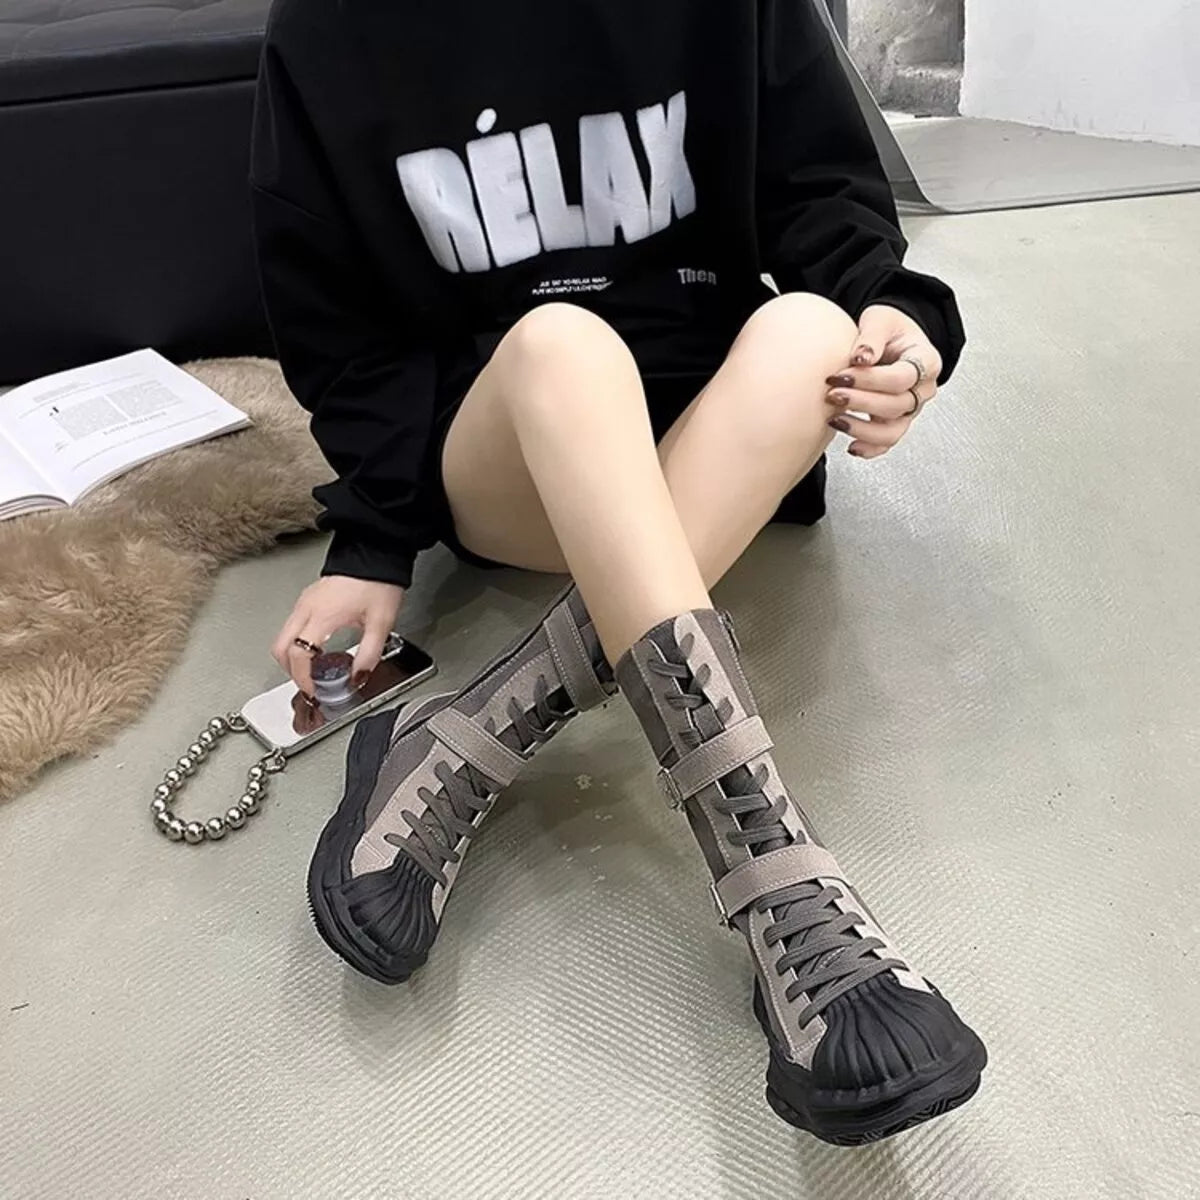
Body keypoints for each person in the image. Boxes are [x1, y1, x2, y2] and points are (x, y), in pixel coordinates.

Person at [250, 0, 986, 1145]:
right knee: (563, 341)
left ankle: (469, 730)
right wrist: (374, 536)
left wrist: (900, 315)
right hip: (517, 450)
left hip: (715, 433)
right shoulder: (334, 26)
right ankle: (778, 875)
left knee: (810, 330)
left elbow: (818, 187)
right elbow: (336, 320)